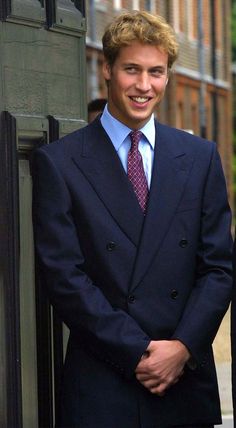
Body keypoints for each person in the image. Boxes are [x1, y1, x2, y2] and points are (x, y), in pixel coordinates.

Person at [32, 10, 232, 428]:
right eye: (132, 70)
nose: (144, 86)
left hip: (183, 380)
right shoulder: (60, 162)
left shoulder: (199, 158)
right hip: (105, 381)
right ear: (106, 69)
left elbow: (218, 268)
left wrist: (181, 348)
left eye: (156, 72)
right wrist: (138, 352)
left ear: (168, 75)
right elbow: (63, 276)